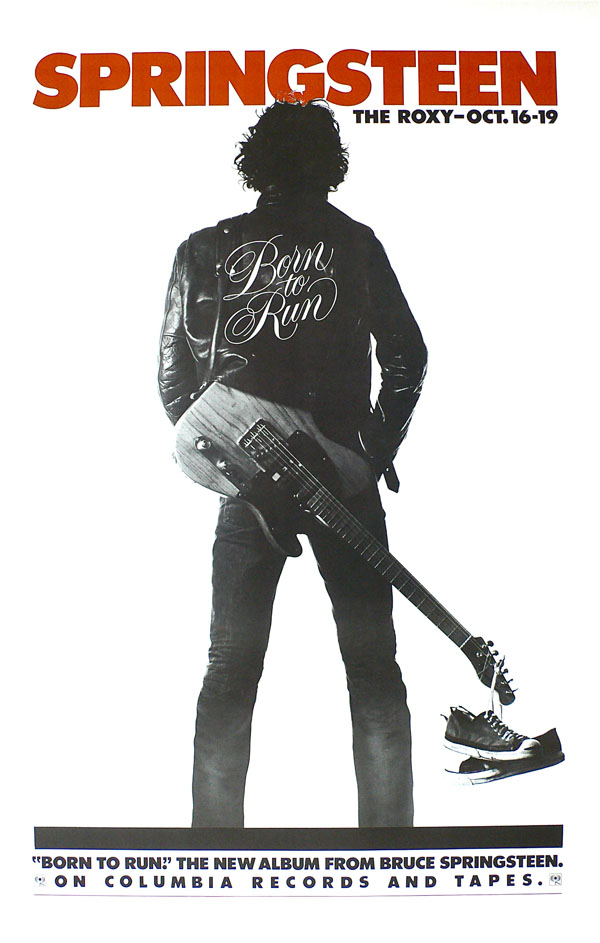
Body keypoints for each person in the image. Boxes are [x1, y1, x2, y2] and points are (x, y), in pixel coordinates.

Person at [158, 99, 427, 827]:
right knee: (373, 671)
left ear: (256, 163)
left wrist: (246, 472)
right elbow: (408, 356)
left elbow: (177, 387)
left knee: (230, 672)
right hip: (342, 477)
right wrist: (368, 455)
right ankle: (392, 853)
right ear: (330, 165)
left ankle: (213, 856)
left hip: (249, 492)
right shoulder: (356, 244)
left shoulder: (203, 249)